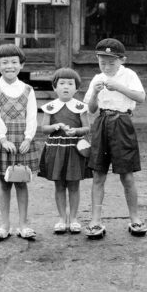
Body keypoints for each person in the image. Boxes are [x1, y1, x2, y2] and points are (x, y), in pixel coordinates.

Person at [83, 38, 147, 238]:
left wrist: (117, 86)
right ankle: (95, 220)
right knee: (98, 174)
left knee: (127, 175)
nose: (107, 66)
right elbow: (91, 109)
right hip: (102, 121)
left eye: (112, 62)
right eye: (103, 62)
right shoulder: (97, 78)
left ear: (122, 60)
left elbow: (141, 97)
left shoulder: (129, 75)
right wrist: (95, 92)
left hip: (122, 122)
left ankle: (135, 218)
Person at [0, 44, 39, 240]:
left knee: (21, 182)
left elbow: (32, 116)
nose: (9, 66)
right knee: (4, 183)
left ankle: (23, 225)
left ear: (21, 65)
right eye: (4, 62)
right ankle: (4, 225)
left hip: (22, 140)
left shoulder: (28, 89)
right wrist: (3, 138)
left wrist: (29, 138)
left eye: (14, 62)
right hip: (2, 140)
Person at [38, 67, 91, 234]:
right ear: (55, 87)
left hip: (74, 149)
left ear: (76, 88)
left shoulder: (80, 106)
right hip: (56, 149)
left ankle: (74, 219)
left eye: (70, 83)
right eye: (61, 83)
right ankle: (62, 219)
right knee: (59, 185)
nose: (66, 87)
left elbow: (87, 128)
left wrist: (76, 131)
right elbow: (44, 129)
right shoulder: (50, 107)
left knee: (74, 185)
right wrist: (55, 126)